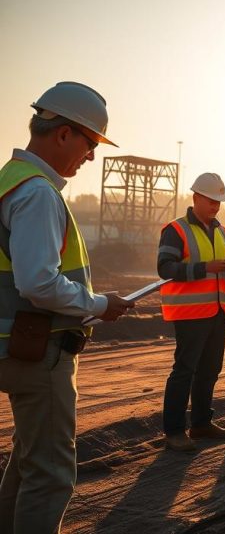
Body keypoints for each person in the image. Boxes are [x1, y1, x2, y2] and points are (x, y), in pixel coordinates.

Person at [0, 82, 133, 533]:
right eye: (90, 143)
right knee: (52, 474)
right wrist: (98, 303)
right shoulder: (37, 193)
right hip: (39, 352)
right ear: (63, 134)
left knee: (27, 462)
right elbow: (38, 282)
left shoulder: (10, 181)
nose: (91, 157)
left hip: (15, 345)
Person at [157, 172, 225, 451]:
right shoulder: (176, 229)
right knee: (184, 371)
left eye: (219, 201)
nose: (216, 206)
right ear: (195, 197)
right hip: (189, 313)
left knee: (210, 370)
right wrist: (206, 267)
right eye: (211, 200)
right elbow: (165, 268)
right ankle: (174, 431)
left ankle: (201, 424)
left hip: (218, 311)